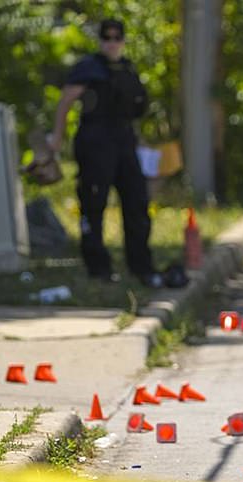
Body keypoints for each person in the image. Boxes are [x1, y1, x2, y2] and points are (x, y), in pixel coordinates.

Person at [49, 18, 162, 287]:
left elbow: (133, 112)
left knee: (137, 203)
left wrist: (142, 144)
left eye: (117, 38)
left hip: (124, 142)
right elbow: (65, 103)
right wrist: (57, 139)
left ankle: (141, 267)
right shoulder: (89, 68)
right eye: (107, 38)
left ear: (123, 40)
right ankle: (98, 269)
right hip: (95, 144)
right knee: (93, 205)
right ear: (100, 40)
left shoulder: (128, 69)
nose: (112, 43)